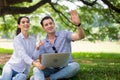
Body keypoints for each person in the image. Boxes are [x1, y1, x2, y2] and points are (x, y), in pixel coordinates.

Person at [32, 10, 85, 80]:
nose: (49, 26)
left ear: (54, 24)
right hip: (51, 69)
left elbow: (80, 36)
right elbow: (36, 59)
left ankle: (49, 78)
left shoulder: (64, 34)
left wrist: (78, 25)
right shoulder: (42, 42)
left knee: (76, 66)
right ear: (43, 28)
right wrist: (37, 49)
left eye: (51, 23)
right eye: (46, 25)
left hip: (66, 67)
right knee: (36, 70)